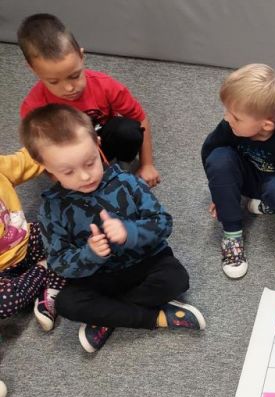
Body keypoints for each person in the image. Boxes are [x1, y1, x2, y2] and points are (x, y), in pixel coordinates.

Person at [20, 104, 205, 354]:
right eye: (69, 171)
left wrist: (130, 232)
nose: (85, 176)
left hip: (146, 261)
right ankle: (156, 317)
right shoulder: (51, 209)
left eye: (90, 162)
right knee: (67, 303)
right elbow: (59, 263)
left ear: (97, 143)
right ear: (43, 165)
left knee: (176, 279)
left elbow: (163, 222)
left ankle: (108, 316)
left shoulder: (127, 181)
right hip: (99, 276)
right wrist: (90, 253)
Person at [17, 14, 160, 188]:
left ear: (81, 56)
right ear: (33, 69)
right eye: (54, 81)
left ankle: (120, 168)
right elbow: (38, 152)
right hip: (69, 153)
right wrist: (63, 180)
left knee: (128, 130)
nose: (69, 88)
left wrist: (147, 164)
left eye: (75, 76)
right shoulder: (33, 108)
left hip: (102, 140)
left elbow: (140, 118)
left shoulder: (106, 86)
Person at [201, 64, 275, 278]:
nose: (227, 118)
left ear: (266, 125)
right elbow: (210, 153)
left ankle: (268, 204)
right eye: (226, 111)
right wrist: (220, 194)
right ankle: (232, 235)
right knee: (219, 158)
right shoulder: (229, 127)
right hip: (249, 178)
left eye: (236, 117)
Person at [0, 148, 65, 330]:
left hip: (28, 241)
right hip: (2, 273)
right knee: (4, 303)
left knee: (70, 233)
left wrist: (51, 141)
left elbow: (26, 160)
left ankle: (50, 287)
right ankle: (47, 270)